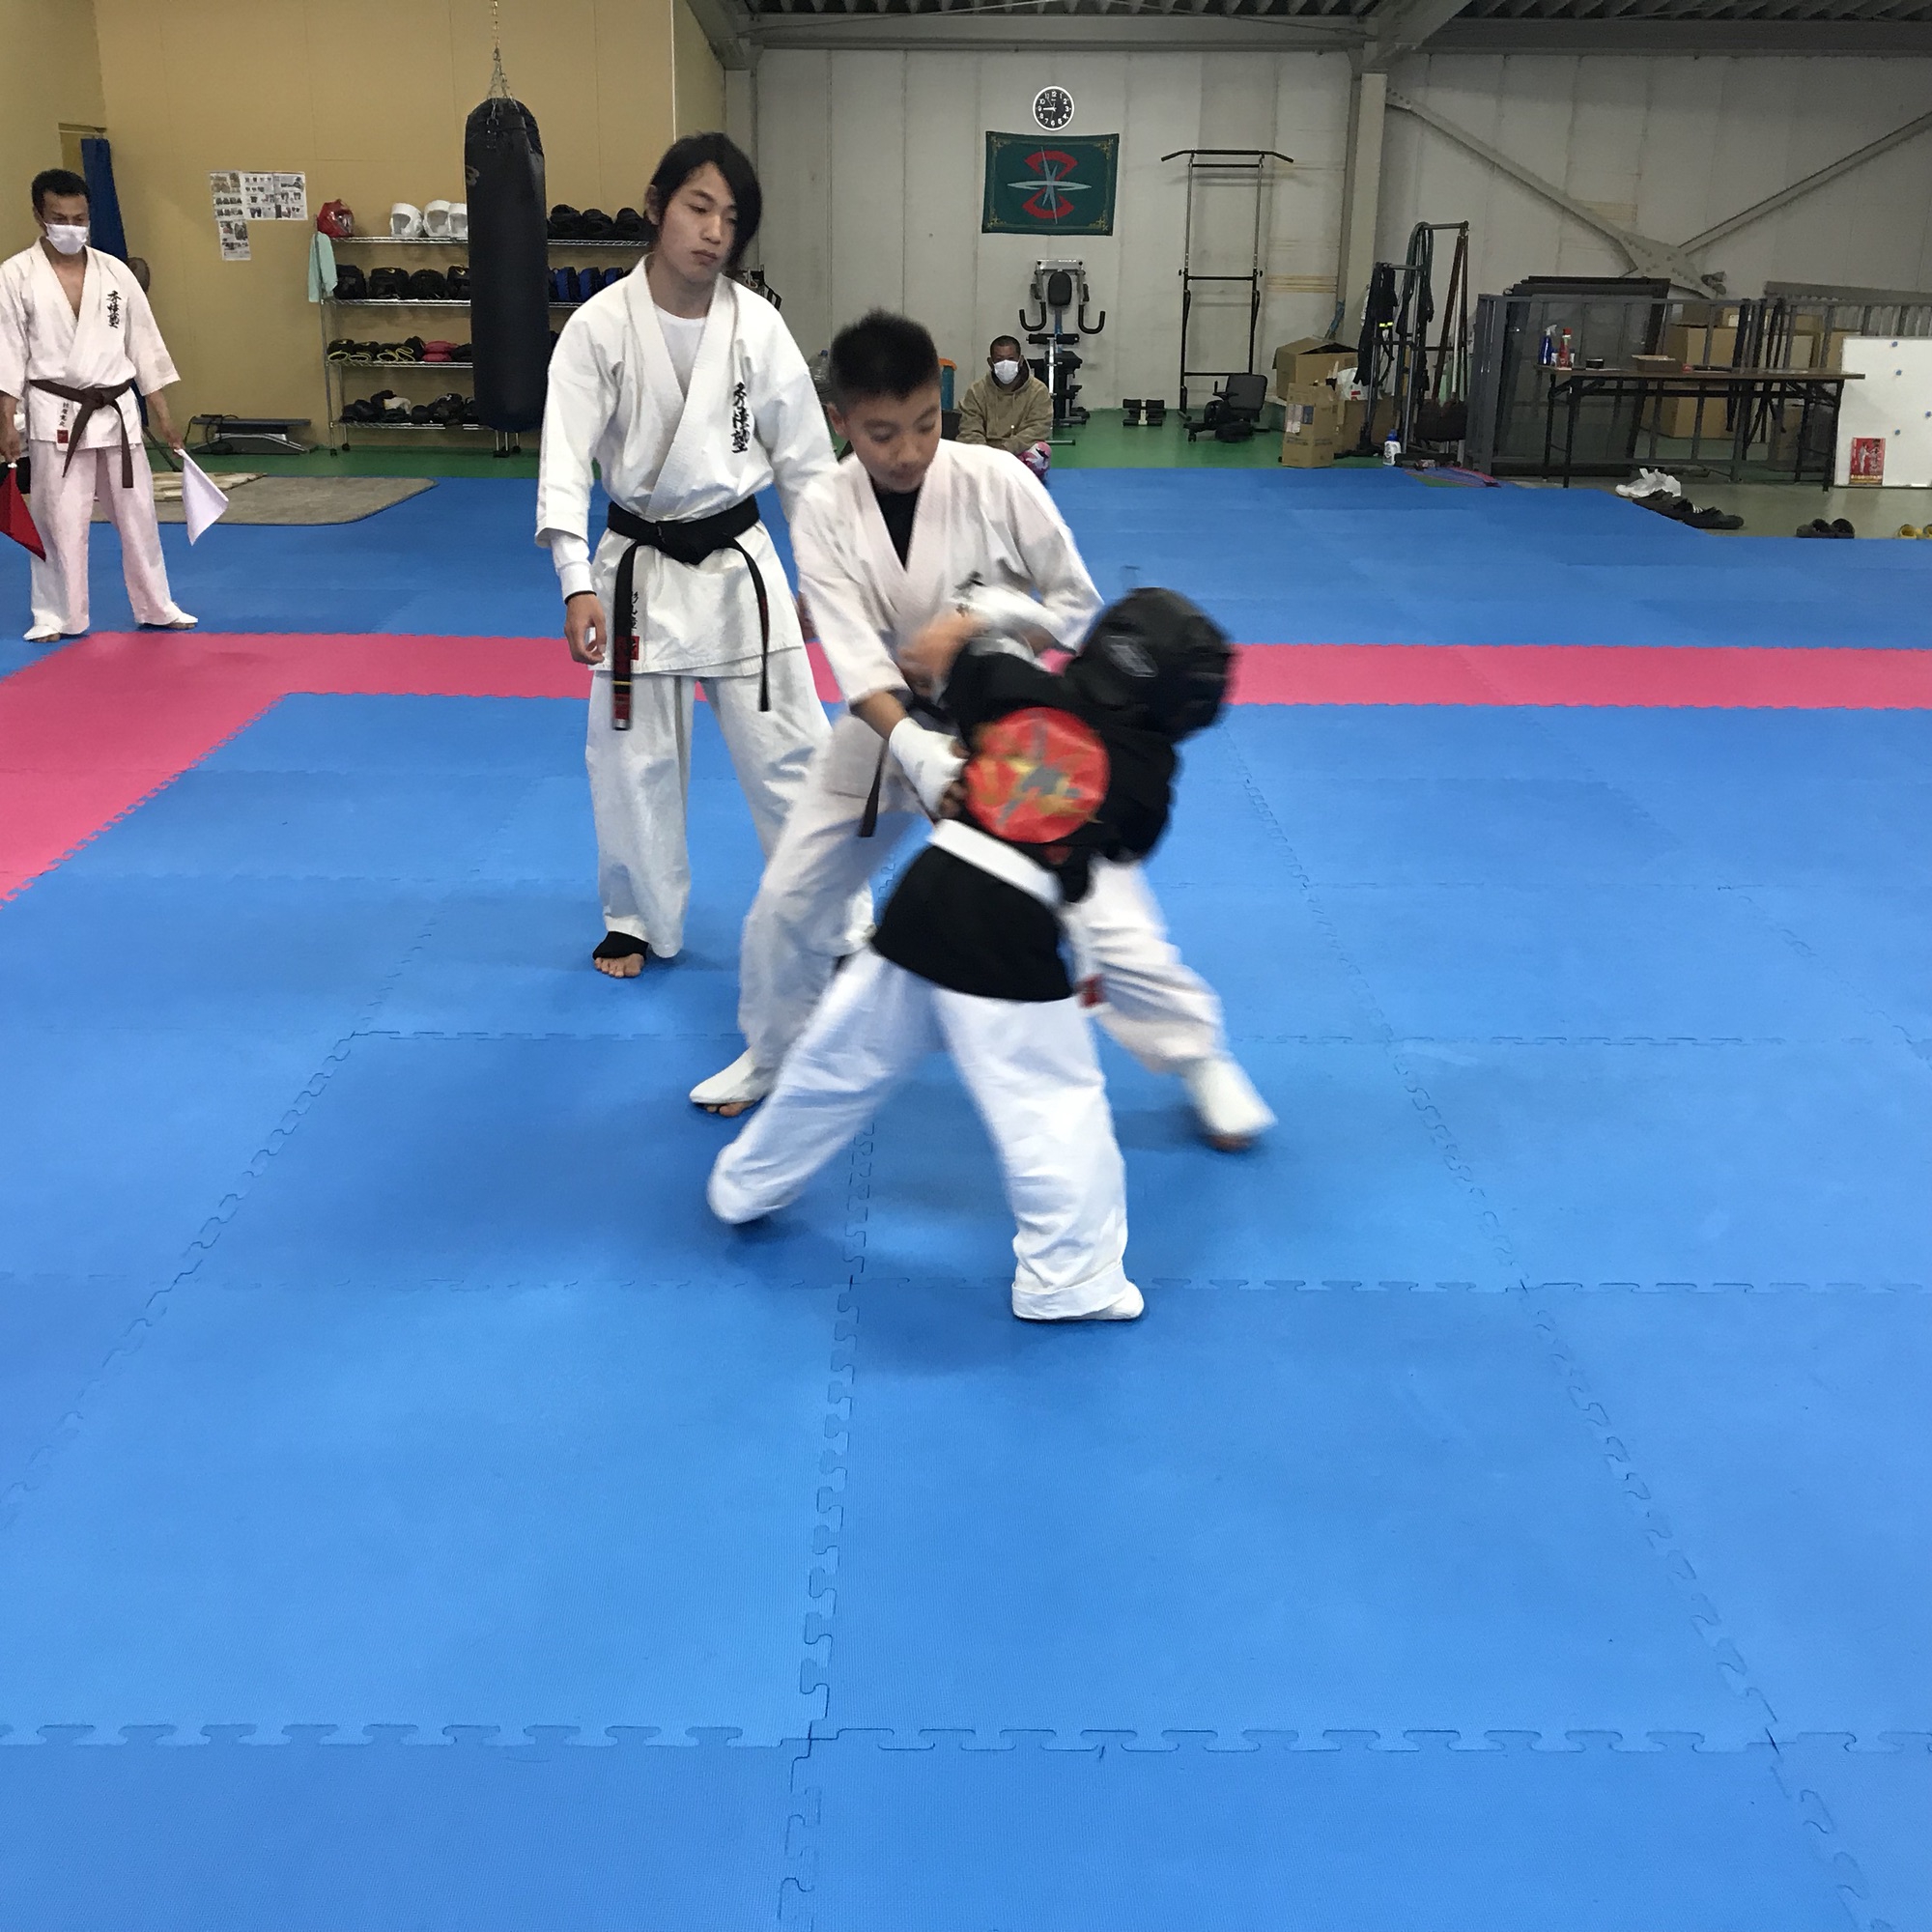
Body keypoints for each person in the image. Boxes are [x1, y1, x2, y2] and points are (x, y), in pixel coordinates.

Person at [691, 310, 1273, 1152]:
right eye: (882, 433)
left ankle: (1197, 1054)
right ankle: (773, 1051)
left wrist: (983, 615)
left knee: (1106, 918)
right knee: (788, 899)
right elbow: (856, 659)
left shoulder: (996, 478)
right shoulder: (822, 507)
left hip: (1012, 726)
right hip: (885, 728)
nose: (908, 450)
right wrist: (921, 752)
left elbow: (1075, 603)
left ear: (942, 403)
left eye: (925, 423)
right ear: (842, 421)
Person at [709, 587, 1231, 1322]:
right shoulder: (1147, 771)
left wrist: (991, 616)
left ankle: (745, 1184)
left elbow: (930, 653)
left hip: (923, 900)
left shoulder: (1010, 681)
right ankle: (1070, 1280)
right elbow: (1121, 848)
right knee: (1053, 1106)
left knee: (836, 1062)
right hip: (1007, 937)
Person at [537, 133, 837, 978]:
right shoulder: (598, 327)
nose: (713, 233)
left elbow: (808, 464)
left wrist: (823, 577)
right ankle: (635, 917)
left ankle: (831, 917)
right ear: (656, 205)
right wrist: (573, 582)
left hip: (742, 566)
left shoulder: (757, 326)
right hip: (636, 570)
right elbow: (563, 462)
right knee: (630, 761)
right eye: (699, 208)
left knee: (794, 753)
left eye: (731, 220)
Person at [0, 169, 196, 642]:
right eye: (60, 218)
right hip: (55, 411)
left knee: (139, 516)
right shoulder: (15, 275)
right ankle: (56, 615)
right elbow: (7, 351)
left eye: (79, 218)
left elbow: (143, 344)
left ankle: (157, 605)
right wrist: (6, 419)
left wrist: (163, 413)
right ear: (39, 216)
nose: (71, 227)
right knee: (57, 520)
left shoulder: (115, 272)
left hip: (116, 411)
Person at [956, 332, 1053, 481]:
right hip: (985, 454)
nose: (1005, 364)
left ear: (1020, 360)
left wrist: (1007, 449)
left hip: (1018, 452)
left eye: (1011, 359)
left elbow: (1038, 428)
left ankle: (997, 477)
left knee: (1041, 452)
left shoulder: (1038, 390)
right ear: (990, 362)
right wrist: (986, 456)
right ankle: (997, 475)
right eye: (999, 360)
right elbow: (969, 430)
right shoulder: (976, 391)